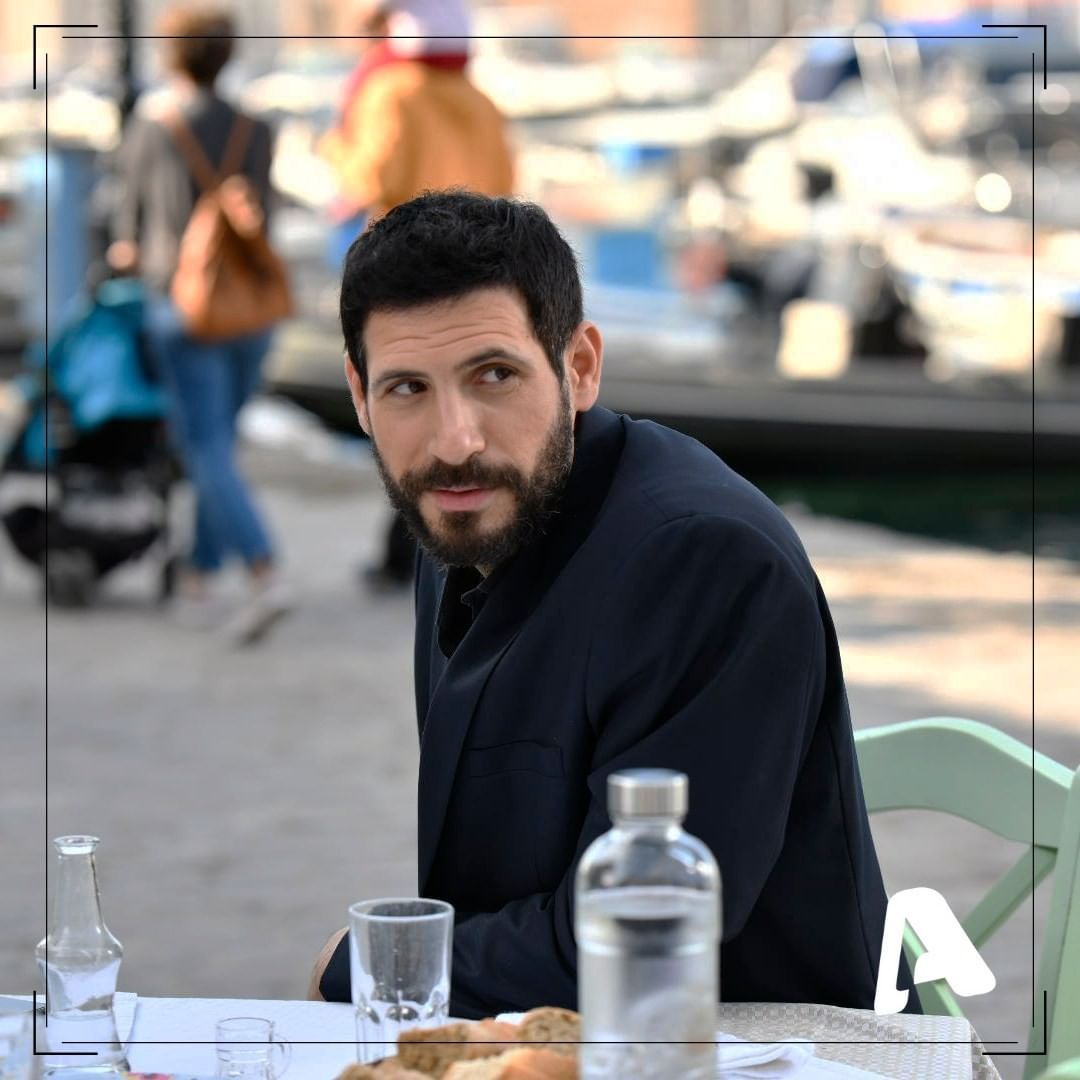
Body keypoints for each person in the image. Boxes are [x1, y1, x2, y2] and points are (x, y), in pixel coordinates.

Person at [310, 192, 917, 1017]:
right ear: (359, 395)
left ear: (581, 367)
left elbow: (642, 940)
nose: (455, 440)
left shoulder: (706, 561)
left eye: (495, 376)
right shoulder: (463, 512)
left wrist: (365, 963)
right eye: (407, 388)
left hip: (771, 1047)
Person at [109, 6, 292, 644]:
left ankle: (264, 569)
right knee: (223, 446)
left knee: (206, 448)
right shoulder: (256, 129)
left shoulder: (153, 127)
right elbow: (264, 216)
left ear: (171, 57)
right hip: (250, 309)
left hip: (181, 306)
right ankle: (199, 575)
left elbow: (126, 233)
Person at [319, 0, 515, 591]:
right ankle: (452, 545)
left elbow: (372, 176)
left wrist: (333, 146)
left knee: (409, 410)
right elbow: (508, 188)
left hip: (408, 278)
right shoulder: (481, 100)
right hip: (481, 277)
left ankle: (416, 551)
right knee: (471, 414)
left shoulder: (391, 91)